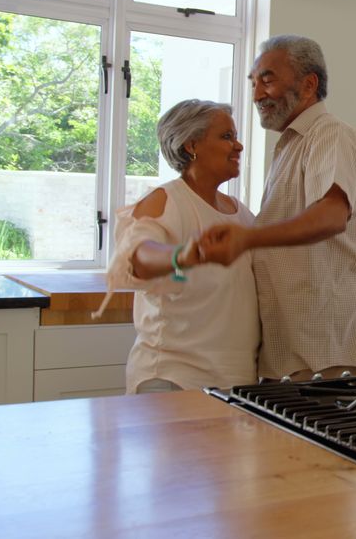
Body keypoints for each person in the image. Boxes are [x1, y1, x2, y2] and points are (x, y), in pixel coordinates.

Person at [200, 35, 356, 380]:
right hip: (291, 349)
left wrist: (247, 239)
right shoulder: (289, 146)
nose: (256, 95)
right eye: (253, 83)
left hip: (328, 349)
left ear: (309, 83)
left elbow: (331, 216)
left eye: (267, 80)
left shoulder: (330, 134)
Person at [100, 99, 260, 394]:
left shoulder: (240, 213)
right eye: (226, 137)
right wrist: (181, 255)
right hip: (173, 379)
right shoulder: (165, 200)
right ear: (191, 145)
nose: (238, 146)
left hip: (233, 385)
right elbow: (137, 255)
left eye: (235, 137)